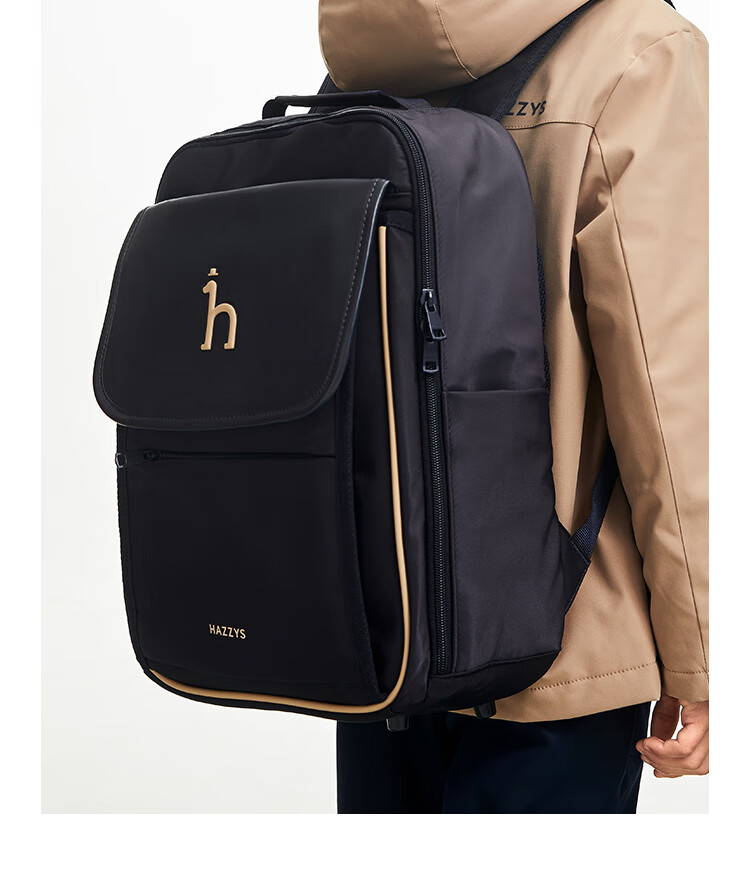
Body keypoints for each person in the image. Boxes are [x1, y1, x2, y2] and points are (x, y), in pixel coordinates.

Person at [318, 0, 708, 814]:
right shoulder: (640, 50)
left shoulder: (360, 64)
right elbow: (663, 382)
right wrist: (703, 650)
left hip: (386, 626)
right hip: (561, 641)